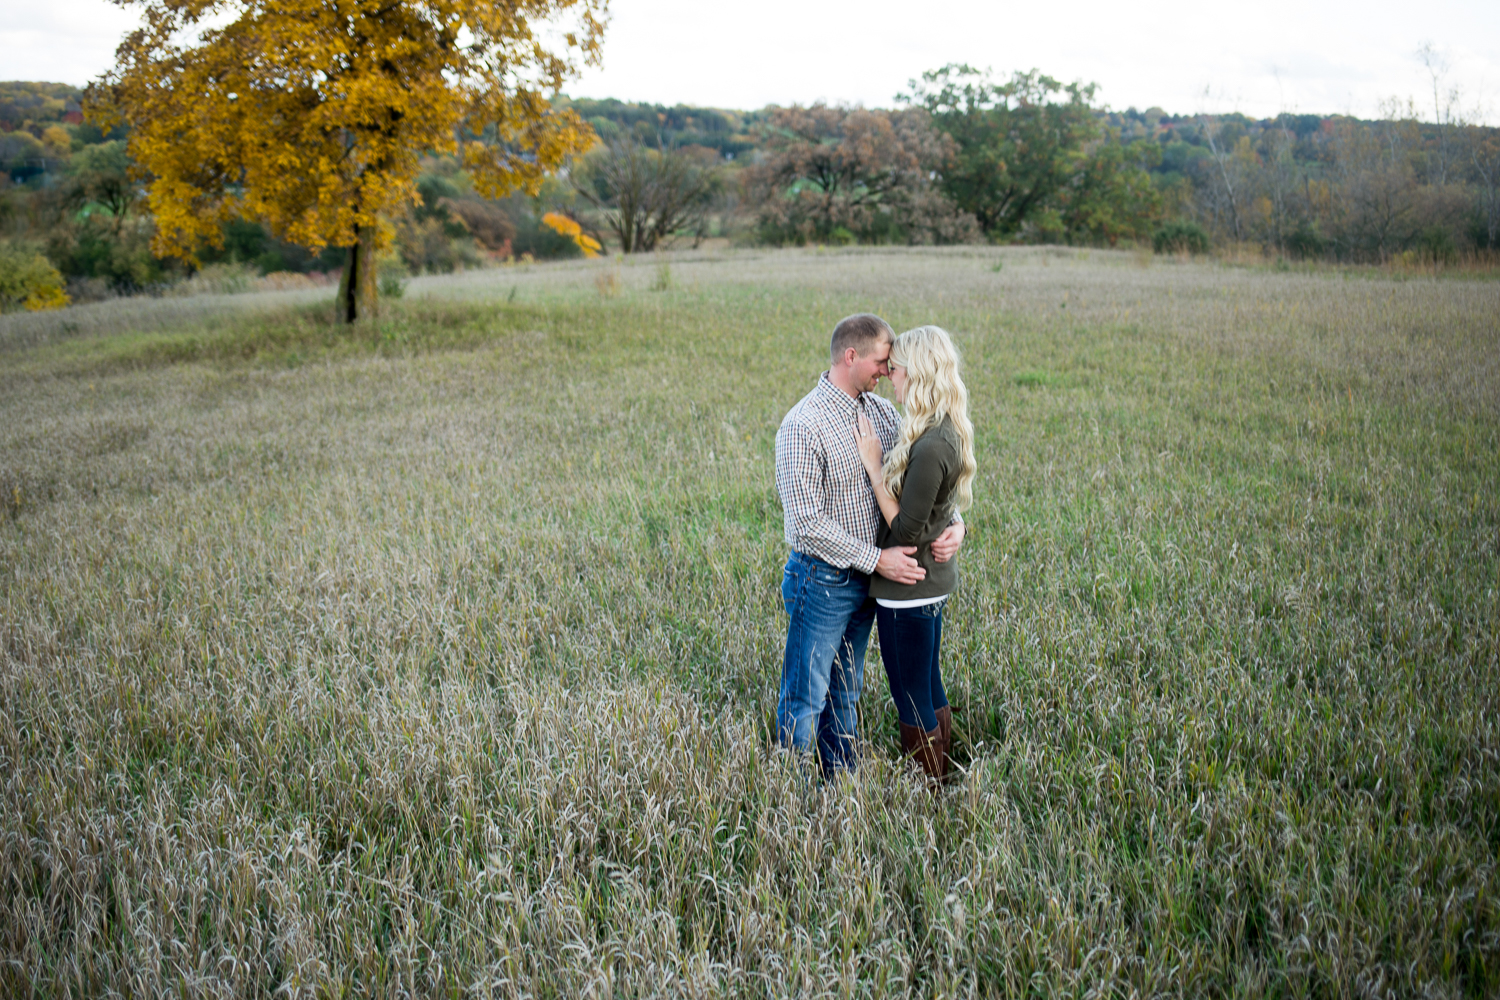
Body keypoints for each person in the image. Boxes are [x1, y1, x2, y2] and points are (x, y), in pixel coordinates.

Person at [775, 314, 966, 778]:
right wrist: (877, 557)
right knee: (807, 694)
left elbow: (923, 480)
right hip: (822, 580)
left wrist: (956, 522)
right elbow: (805, 522)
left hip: (871, 580)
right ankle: (791, 792)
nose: (886, 371)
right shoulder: (804, 424)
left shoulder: (881, 412)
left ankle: (838, 779)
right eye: (881, 361)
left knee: (847, 689)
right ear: (851, 356)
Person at [854, 326, 977, 784]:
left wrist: (872, 467)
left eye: (897, 370)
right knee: (927, 683)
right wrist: (957, 526)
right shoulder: (944, 429)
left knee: (909, 694)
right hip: (926, 585)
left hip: (907, 590)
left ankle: (928, 789)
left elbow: (904, 528)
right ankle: (943, 774)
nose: (890, 377)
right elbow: (943, 509)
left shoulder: (930, 446)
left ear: (918, 373)